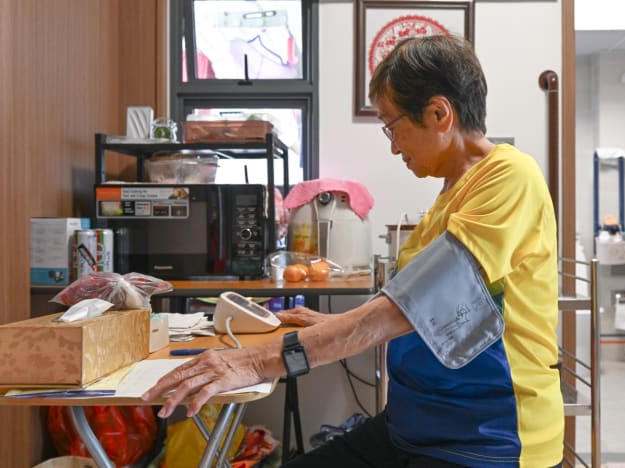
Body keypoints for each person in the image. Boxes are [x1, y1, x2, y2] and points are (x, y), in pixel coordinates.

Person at [143, 35, 563, 467]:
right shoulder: (451, 193)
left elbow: (422, 304)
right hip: (417, 424)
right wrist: (335, 324)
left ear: (439, 113)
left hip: (490, 439)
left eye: (392, 126)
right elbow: (438, 318)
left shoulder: (511, 177)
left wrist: (257, 361)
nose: (393, 145)